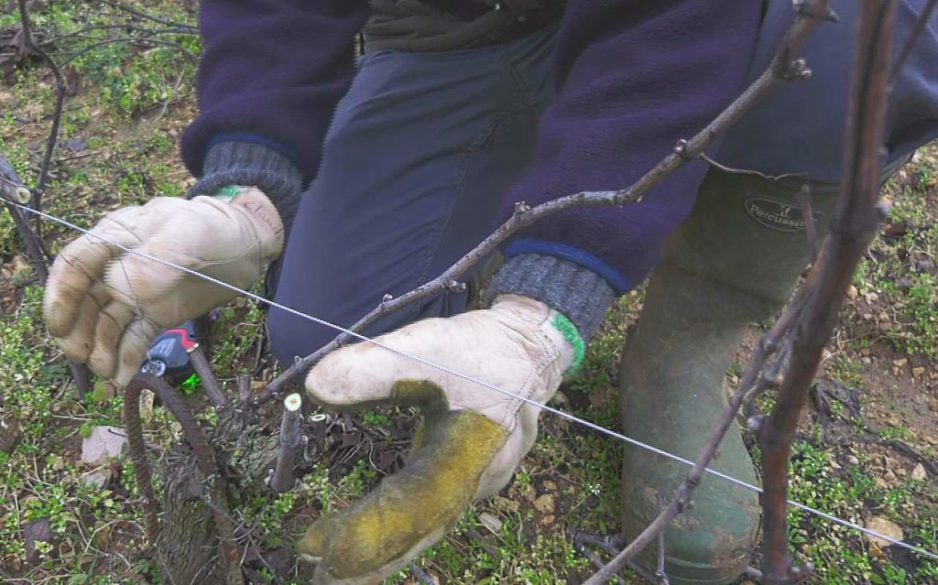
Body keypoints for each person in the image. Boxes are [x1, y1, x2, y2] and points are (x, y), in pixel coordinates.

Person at [41, 1, 938, 583]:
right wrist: (249, 181)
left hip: (722, 19)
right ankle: (510, 146)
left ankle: (687, 336)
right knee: (329, 337)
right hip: (468, 26)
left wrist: (543, 319)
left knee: (864, 41)